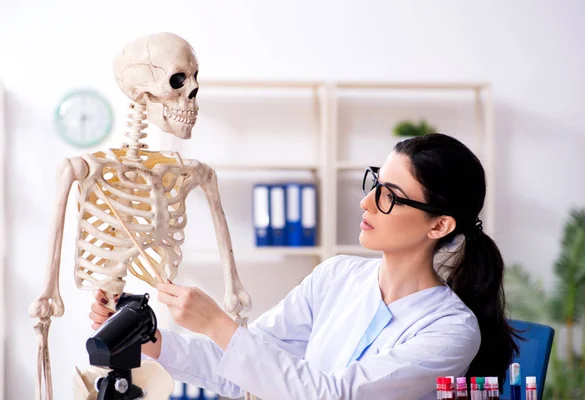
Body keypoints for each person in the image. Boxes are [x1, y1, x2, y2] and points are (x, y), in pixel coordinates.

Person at [90, 133, 519, 400]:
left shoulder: (451, 331)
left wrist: (219, 325)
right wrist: (151, 342)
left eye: (389, 194)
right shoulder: (337, 276)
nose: (366, 202)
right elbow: (249, 369)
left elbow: (335, 395)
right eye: (374, 183)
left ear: (439, 224)